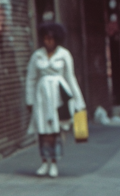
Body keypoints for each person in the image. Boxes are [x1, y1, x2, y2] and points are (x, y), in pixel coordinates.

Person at [25, 22, 85, 178]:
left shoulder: (64, 55)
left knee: (57, 130)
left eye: (51, 39)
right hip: (42, 96)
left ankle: (55, 163)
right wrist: (29, 101)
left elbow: (70, 77)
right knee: (43, 130)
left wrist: (79, 101)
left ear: (57, 39)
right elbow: (31, 79)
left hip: (59, 96)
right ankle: (44, 162)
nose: (48, 42)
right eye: (45, 39)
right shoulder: (37, 56)